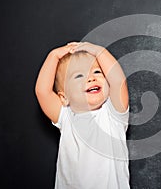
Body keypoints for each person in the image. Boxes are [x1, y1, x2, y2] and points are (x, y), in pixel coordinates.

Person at [35, 42, 130, 189]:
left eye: (97, 72)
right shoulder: (65, 117)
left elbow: (118, 81)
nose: (91, 78)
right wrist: (53, 56)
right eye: (79, 75)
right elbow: (43, 91)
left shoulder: (113, 115)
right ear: (64, 97)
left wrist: (99, 51)